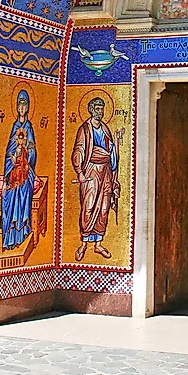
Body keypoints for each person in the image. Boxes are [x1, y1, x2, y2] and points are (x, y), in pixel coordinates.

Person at [72, 97, 121, 261]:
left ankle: (98, 243)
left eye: (102, 109)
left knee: (104, 207)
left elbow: (110, 148)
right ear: (91, 109)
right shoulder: (85, 129)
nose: (100, 112)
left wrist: (114, 147)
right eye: (98, 108)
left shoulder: (105, 129)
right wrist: (79, 171)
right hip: (91, 171)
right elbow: (79, 149)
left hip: (106, 171)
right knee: (89, 205)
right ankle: (84, 243)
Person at [1, 90, 38, 250]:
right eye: (20, 105)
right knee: (8, 195)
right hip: (13, 171)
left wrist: (28, 155)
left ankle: (22, 233)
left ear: (28, 107)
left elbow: (33, 152)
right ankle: (9, 236)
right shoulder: (14, 127)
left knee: (23, 191)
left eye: (25, 105)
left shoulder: (29, 127)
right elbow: (8, 153)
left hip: (26, 170)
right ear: (16, 107)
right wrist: (12, 165)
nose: (22, 108)